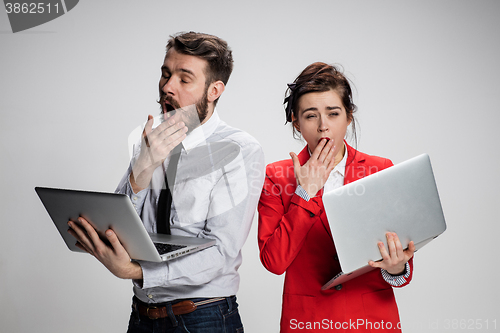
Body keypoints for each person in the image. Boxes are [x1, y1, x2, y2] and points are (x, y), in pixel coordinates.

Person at [68, 31, 265, 332]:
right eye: (165, 74)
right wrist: (143, 167)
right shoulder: (150, 141)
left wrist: (136, 271)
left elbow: (221, 253)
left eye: (184, 79)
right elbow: (117, 223)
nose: (167, 87)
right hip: (142, 315)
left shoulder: (240, 150)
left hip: (204, 319)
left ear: (214, 89)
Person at [257, 62, 415, 332]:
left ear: (349, 116)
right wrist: (305, 192)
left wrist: (398, 268)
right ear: (296, 122)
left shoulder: (380, 169)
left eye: (333, 113)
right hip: (307, 321)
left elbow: (400, 266)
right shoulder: (276, 176)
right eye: (310, 116)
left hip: (373, 320)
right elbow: (274, 261)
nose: (323, 127)